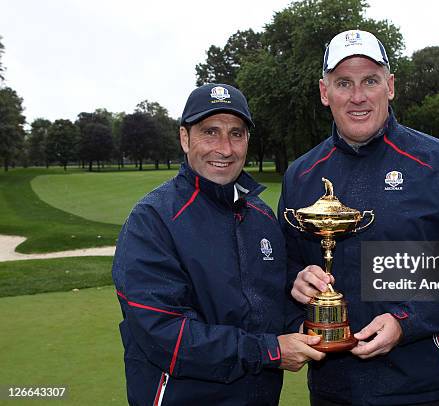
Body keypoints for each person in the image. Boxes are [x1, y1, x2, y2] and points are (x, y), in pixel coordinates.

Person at [278, 30, 439, 405]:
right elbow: (282, 263)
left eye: (370, 80)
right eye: (343, 83)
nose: (358, 97)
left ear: (390, 86)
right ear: (324, 92)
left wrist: (407, 323)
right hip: (335, 387)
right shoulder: (302, 174)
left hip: (424, 385)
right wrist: (297, 282)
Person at [112, 83, 324, 406]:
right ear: (185, 138)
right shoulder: (151, 220)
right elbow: (167, 334)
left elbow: (269, 310)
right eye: (210, 132)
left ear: (247, 141)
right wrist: (270, 351)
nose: (224, 148)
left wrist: (309, 312)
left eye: (236, 134)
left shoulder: (262, 217)